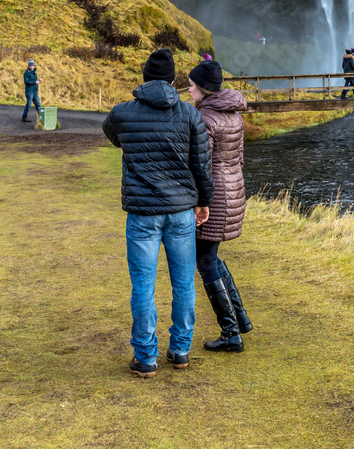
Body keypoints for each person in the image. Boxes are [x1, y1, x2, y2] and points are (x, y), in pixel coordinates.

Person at [102, 48, 214, 378]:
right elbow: (201, 166)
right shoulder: (190, 115)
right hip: (181, 212)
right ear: (172, 79)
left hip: (143, 214)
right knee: (183, 284)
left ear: (145, 77)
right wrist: (203, 201)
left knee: (143, 287)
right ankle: (180, 350)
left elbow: (112, 136)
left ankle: (146, 357)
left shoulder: (122, 113)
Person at [188, 59, 251, 352]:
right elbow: (238, 160)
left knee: (205, 260)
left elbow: (203, 165)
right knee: (211, 257)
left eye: (191, 86)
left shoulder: (207, 119)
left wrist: (200, 201)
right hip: (232, 191)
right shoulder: (234, 115)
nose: (189, 92)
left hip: (215, 197)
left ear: (202, 89)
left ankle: (230, 333)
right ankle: (240, 319)